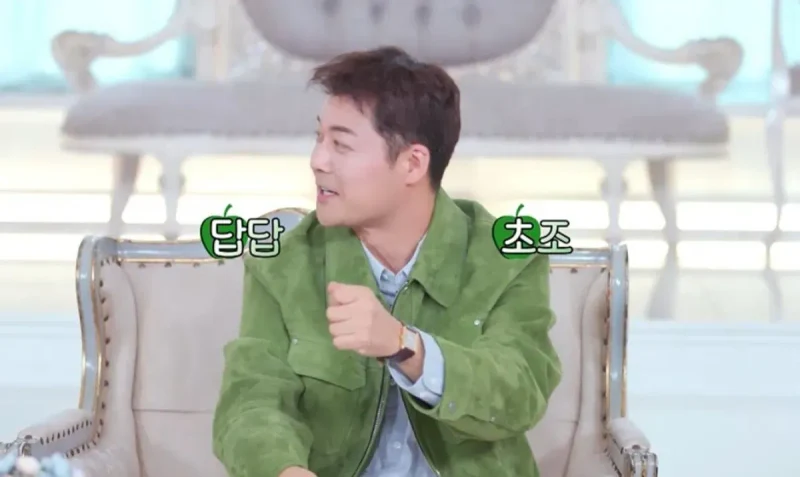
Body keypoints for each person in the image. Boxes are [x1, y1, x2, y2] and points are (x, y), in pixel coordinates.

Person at [212, 46, 562, 477]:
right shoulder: (284, 262)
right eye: (319, 138)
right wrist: (284, 470)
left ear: (412, 163)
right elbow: (252, 401)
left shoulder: (505, 257)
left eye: (341, 145)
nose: (317, 161)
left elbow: (520, 393)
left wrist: (405, 345)